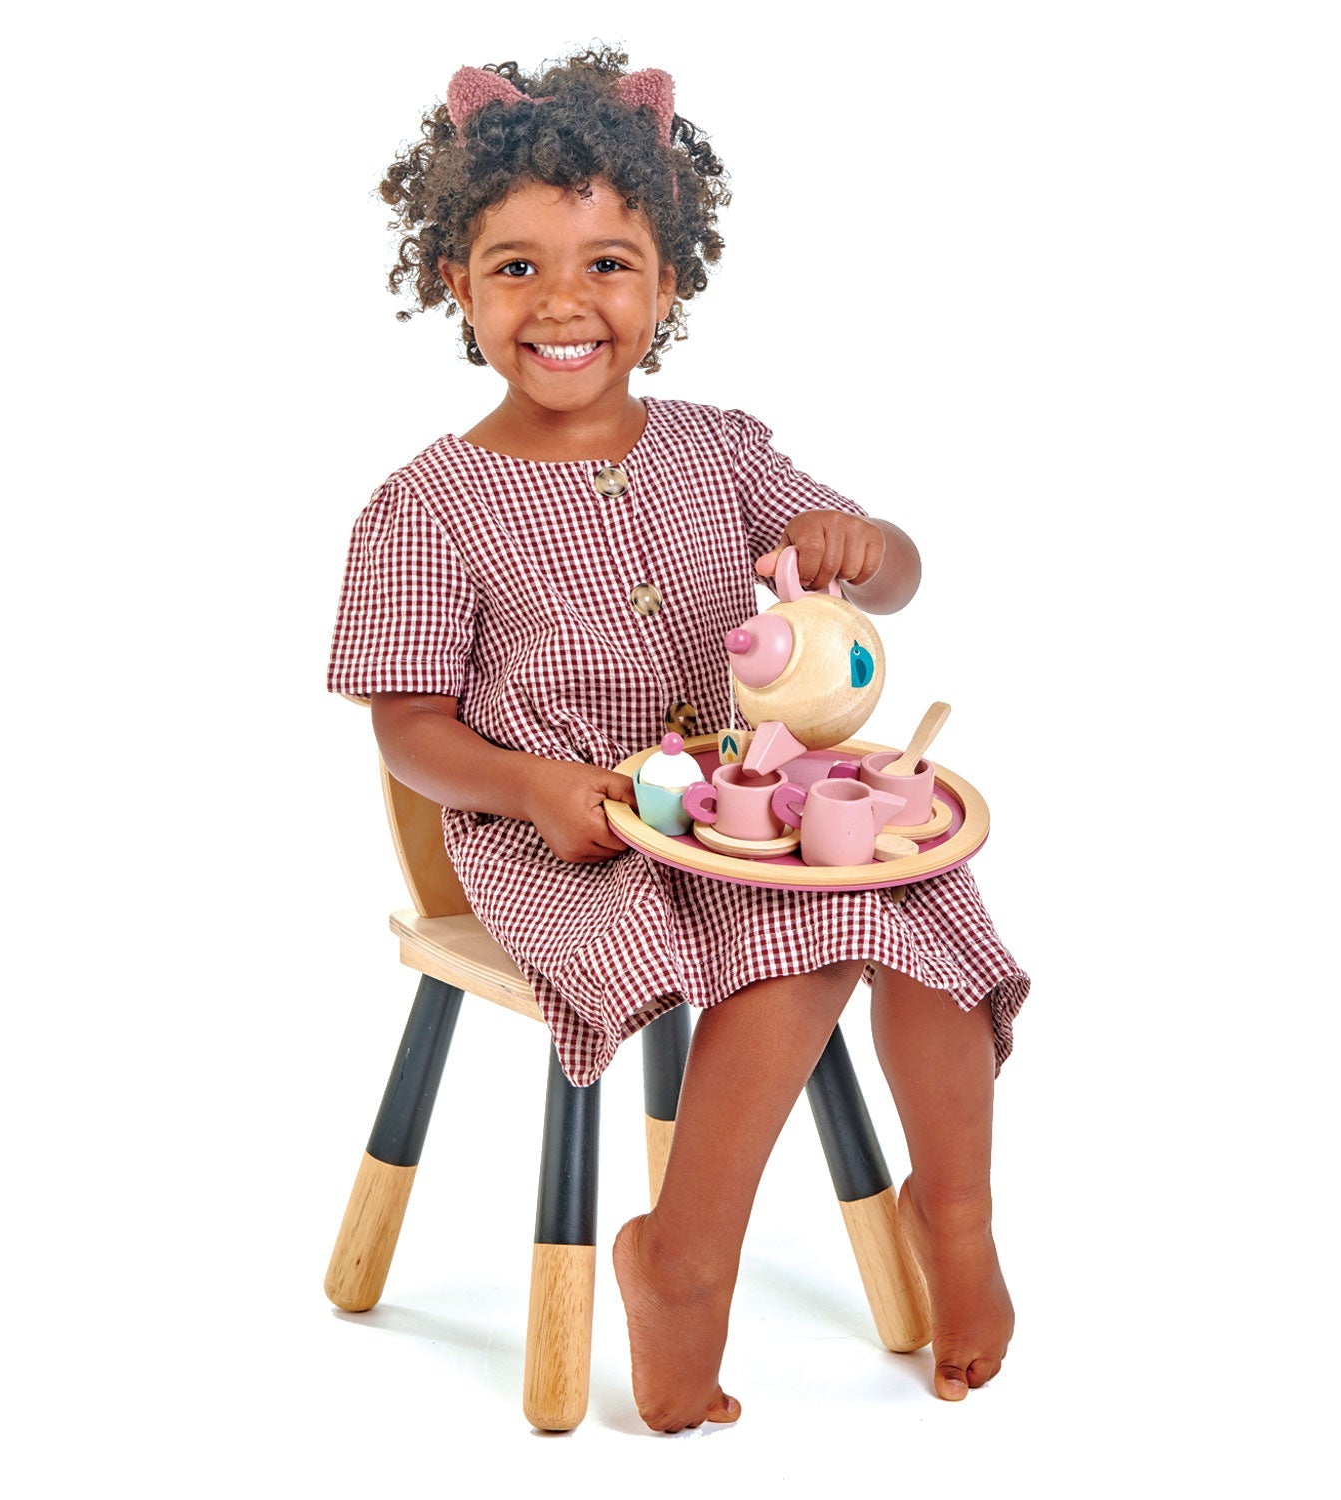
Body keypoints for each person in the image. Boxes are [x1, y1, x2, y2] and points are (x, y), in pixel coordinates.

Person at [327, 49, 1030, 1433]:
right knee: (812, 929)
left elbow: (893, 578)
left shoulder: (722, 450)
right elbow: (407, 727)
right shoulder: (427, 505)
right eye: (517, 267)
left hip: (743, 798)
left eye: (609, 263)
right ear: (457, 284)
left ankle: (956, 1217)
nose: (564, 301)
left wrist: (861, 544)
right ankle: (685, 1263)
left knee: (907, 891)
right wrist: (526, 784)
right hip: (563, 834)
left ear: (668, 286)